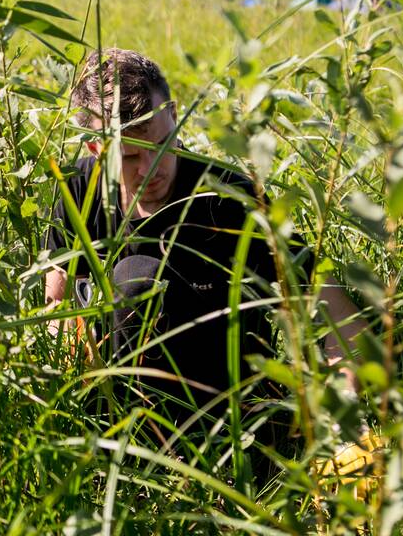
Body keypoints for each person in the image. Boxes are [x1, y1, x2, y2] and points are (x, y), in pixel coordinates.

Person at [44, 48, 368, 446]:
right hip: (116, 414)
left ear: (175, 115)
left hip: (228, 416)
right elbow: (58, 316)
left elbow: (342, 322)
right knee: (132, 283)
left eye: (162, 144)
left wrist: (344, 421)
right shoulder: (79, 191)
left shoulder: (230, 199)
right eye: (129, 157)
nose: (150, 169)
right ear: (96, 149)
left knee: (138, 279)